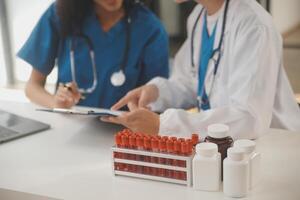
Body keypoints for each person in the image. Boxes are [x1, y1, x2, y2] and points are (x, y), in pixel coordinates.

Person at [102, 0, 300, 140]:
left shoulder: (252, 23)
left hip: (274, 146)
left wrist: (164, 125)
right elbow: (192, 82)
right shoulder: (199, 17)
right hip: (226, 148)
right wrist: (155, 92)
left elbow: (248, 118)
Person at [18, 0, 169, 109]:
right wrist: (56, 104)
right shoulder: (60, 14)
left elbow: (156, 97)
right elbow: (32, 87)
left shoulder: (150, 28)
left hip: (122, 133)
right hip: (68, 127)